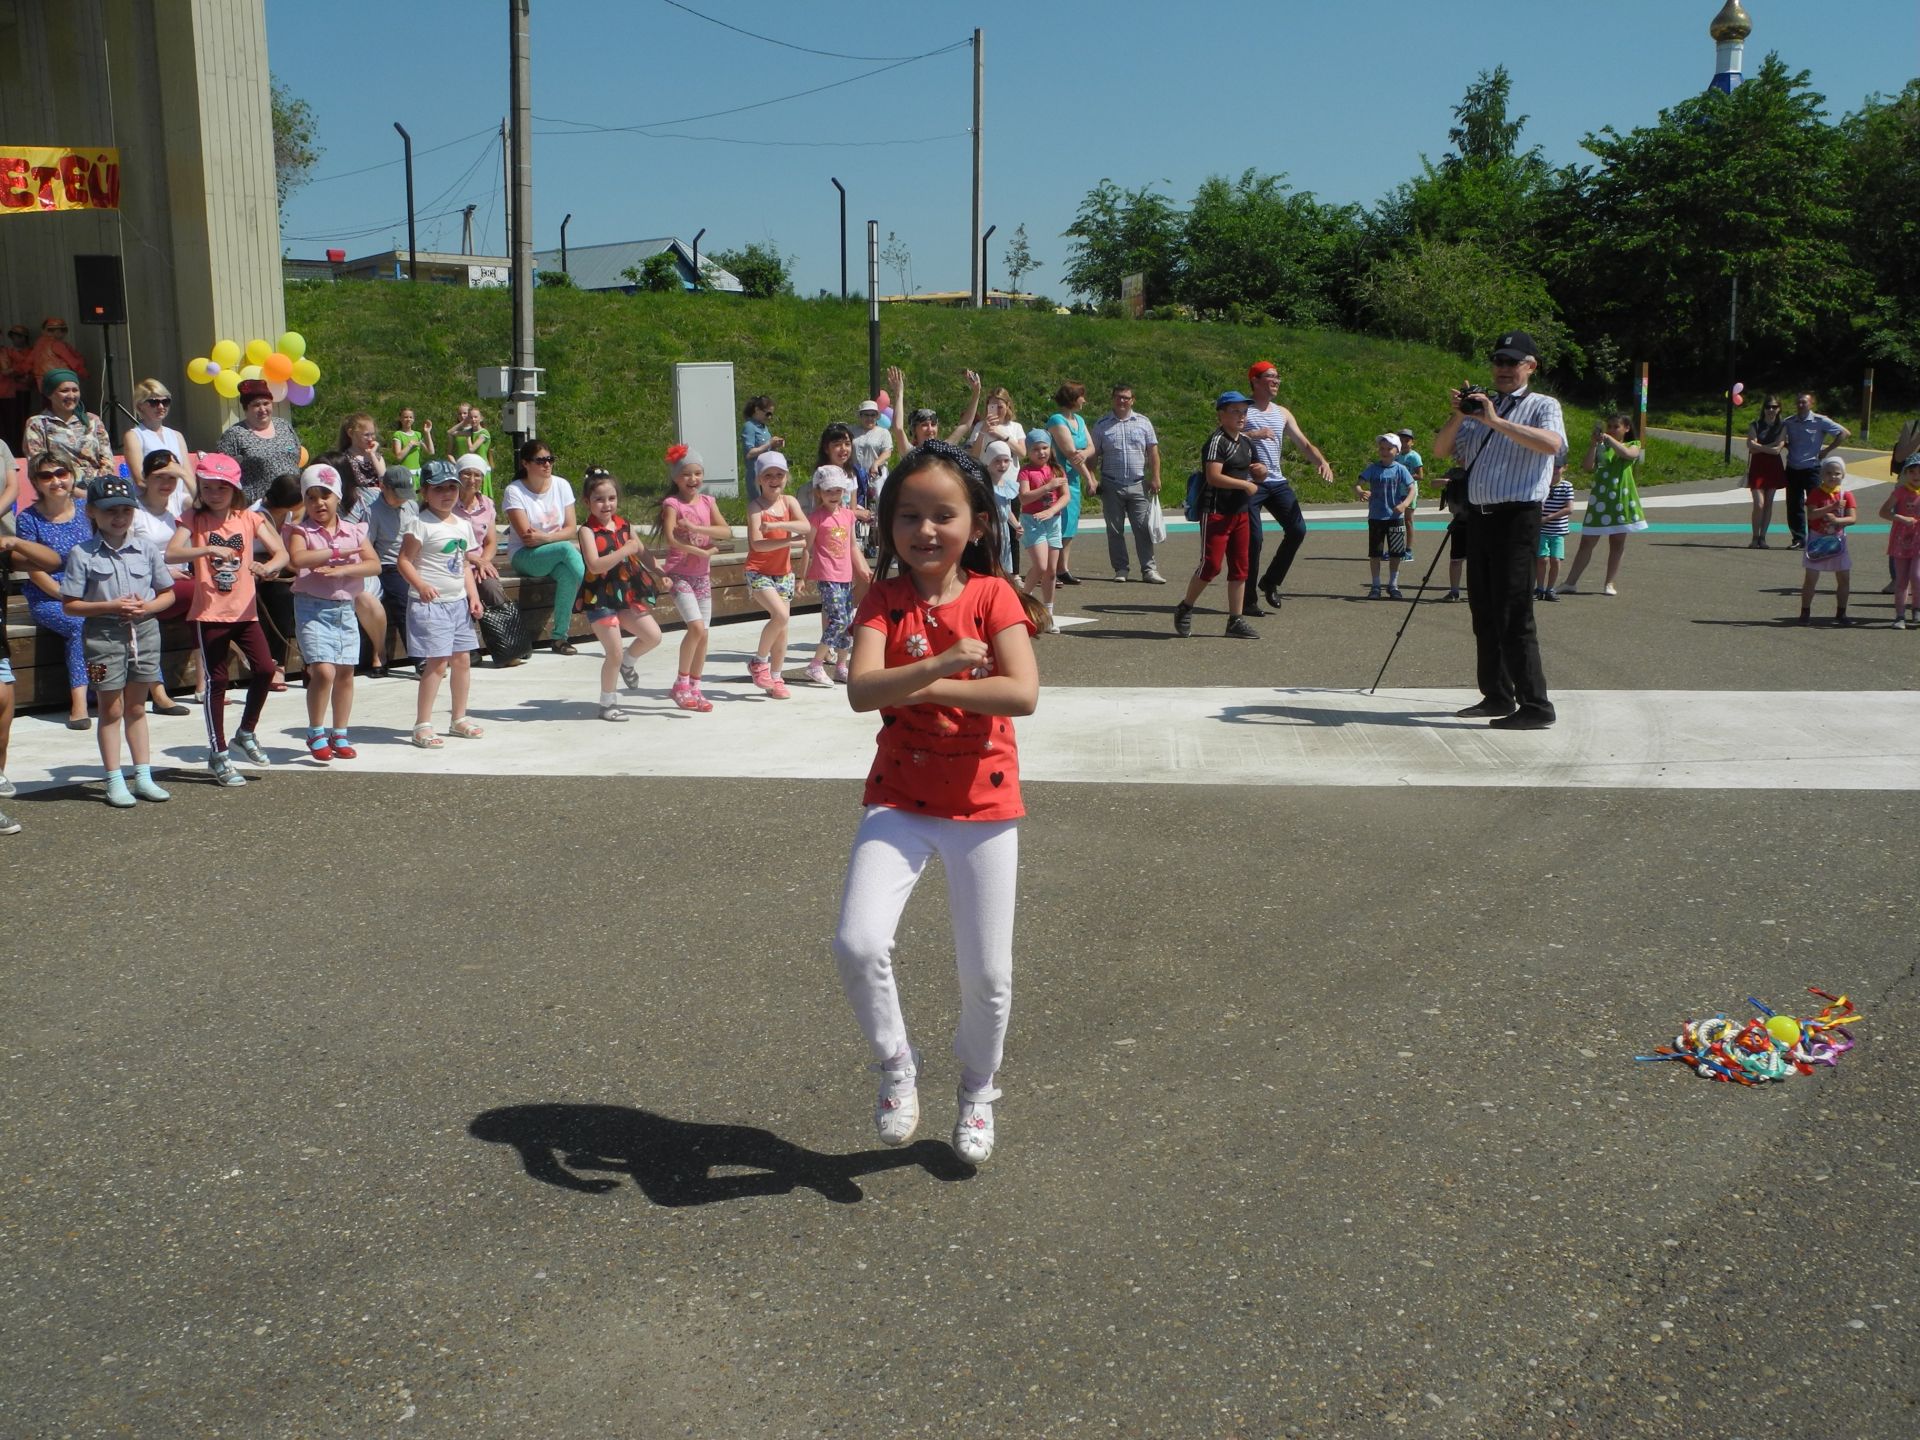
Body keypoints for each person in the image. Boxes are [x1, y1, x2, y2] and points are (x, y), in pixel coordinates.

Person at [831, 438, 1042, 1167]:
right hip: (900, 799)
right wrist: (947, 662)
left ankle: (979, 1089)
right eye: (908, 515)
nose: (924, 530)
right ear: (888, 526)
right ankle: (896, 1062)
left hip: (983, 805)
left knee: (987, 974)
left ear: (978, 524)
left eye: (942, 515)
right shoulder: (883, 599)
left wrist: (925, 682)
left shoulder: (994, 596)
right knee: (857, 942)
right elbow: (862, 689)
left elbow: (1020, 692)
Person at [1432, 330, 1565, 729]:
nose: (1504, 369)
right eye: (1499, 362)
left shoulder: (1542, 404)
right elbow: (1441, 450)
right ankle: (1496, 695)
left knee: (1513, 611)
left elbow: (1552, 445)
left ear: (1530, 366)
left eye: (1512, 362)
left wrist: (1495, 420)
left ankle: (1536, 704)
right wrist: (1461, 414)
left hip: (1517, 516)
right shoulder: (1479, 409)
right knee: (1483, 610)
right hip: (1480, 516)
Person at [166, 453, 290, 785]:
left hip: (245, 610)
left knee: (266, 668)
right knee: (217, 682)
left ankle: (246, 732)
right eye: (207, 487)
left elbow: (282, 552)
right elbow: (171, 553)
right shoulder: (192, 518)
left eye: (222, 487)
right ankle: (218, 753)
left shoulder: (248, 518)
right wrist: (205, 551)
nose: (214, 493)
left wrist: (267, 567)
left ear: (234, 489)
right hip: (210, 613)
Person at [59, 475, 177, 806]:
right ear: (92, 512)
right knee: (111, 708)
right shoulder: (82, 554)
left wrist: (147, 607)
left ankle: (143, 775)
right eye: (110, 511)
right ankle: (114, 779)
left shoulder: (146, 548)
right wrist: (110, 605)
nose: (119, 517)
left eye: (126, 510)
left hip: (144, 631)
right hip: (102, 636)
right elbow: (70, 605)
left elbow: (167, 594)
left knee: (137, 706)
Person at [284, 462, 376, 762]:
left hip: (344, 607)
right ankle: (315, 731)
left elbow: (373, 564)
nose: (319, 503)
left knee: (347, 671)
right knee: (323, 670)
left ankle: (340, 732)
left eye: (325, 495)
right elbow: (298, 559)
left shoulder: (354, 530)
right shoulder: (302, 530)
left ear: (337, 497)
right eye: (311, 497)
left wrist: (346, 569)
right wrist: (336, 552)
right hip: (312, 607)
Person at [397, 460, 485, 746]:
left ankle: (459, 718)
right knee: (436, 664)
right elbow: (404, 561)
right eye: (439, 489)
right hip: (431, 605)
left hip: (457, 603)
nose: (447, 494)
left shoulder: (462, 524)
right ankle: (422, 723)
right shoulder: (420, 524)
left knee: (462, 661)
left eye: (452, 487)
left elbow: (463, 565)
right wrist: (420, 585)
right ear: (424, 492)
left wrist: (472, 595)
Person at [1241, 360, 1335, 613]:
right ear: (1255, 381)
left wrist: (1321, 461)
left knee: (1297, 530)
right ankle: (1247, 599)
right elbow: (1224, 436)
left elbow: (1303, 443)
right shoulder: (1243, 410)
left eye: (1278, 377)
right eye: (1270, 377)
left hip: (1276, 481)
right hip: (1250, 484)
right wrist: (1254, 435)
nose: (1276, 381)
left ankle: (1270, 582)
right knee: (1254, 540)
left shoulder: (1282, 412)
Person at [575, 467, 667, 721]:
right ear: (587, 502)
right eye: (599, 499)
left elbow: (641, 551)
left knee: (653, 636)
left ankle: (629, 662)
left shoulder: (624, 525)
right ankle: (607, 703)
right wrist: (624, 551)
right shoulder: (586, 531)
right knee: (612, 651)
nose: (606, 504)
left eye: (611, 498)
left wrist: (660, 571)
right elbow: (595, 565)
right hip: (600, 598)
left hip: (626, 592)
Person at [1173, 392, 1263, 640]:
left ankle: (1235, 620)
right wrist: (1244, 485)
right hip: (1216, 512)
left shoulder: (1246, 442)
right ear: (1221, 414)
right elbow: (1213, 476)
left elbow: (1259, 473)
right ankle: (1185, 607)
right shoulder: (1216, 441)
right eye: (1235, 411)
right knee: (1211, 565)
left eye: (1244, 411)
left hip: (1240, 512)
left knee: (1240, 568)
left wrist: (1260, 471)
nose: (1241, 416)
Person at [16, 454, 94, 727]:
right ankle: (80, 704)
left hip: (91, 590)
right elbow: (34, 569)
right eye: (46, 476)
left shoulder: (88, 510)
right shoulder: (28, 519)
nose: (56, 481)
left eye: (61, 473)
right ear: (35, 483)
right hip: (49, 595)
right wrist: (68, 596)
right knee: (79, 623)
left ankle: (150, 691)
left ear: (72, 475)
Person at [0, 528, 63, 831]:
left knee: (2, 731)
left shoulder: (4, 554)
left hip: (0, 653)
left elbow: (52, 562)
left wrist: (16, 541)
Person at [658, 444, 728, 711]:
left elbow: (726, 531)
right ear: (676, 477)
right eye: (686, 474)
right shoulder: (672, 504)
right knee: (696, 628)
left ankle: (696, 688)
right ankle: (680, 684)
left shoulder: (709, 502)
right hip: (679, 575)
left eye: (698, 473)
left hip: (702, 576)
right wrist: (700, 550)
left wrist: (698, 529)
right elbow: (671, 538)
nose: (693, 479)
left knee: (704, 635)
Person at [125, 452, 194, 713]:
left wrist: (184, 474)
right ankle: (158, 692)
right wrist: (163, 573)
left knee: (207, 597)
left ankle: (203, 684)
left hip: (181, 585)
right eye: (159, 477)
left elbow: (207, 503)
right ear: (145, 478)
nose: (167, 483)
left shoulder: (179, 504)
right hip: (148, 584)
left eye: (171, 477)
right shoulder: (134, 510)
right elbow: (129, 556)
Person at [503, 438, 584, 655]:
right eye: (540, 461)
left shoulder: (562, 485)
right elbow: (527, 537)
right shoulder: (515, 491)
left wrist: (546, 538)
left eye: (549, 459)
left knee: (567, 576)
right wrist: (555, 538)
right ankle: (593, 589)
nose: (547, 464)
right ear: (525, 464)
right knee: (567, 549)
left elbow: (571, 528)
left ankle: (559, 639)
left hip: (553, 552)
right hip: (524, 556)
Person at [743, 450, 811, 697]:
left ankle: (776, 678)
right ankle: (759, 661)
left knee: (782, 627)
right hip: (758, 571)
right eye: (768, 475)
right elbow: (757, 544)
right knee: (780, 615)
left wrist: (779, 526)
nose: (774, 479)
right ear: (759, 479)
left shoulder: (789, 502)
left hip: (783, 572)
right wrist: (790, 542)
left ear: (786, 477)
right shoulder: (755, 507)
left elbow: (805, 526)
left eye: (779, 474)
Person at [330, 413, 391, 670]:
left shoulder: (372, 456)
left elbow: (384, 478)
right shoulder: (343, 459)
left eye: (373, 434)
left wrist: (373, 455)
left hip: (375, 504)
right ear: (351, 432)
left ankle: (380, 651)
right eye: (365, 434)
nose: (370, 438)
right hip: (353, 507)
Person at [1562, 414, 1646, 596]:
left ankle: (1609, 583)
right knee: (1587, 542)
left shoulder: (1633, 445)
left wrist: (1609, 440)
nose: (1611, 430)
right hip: (1600, 499)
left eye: (1616, 427)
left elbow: (1627, 454)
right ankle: (1570, 582)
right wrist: (1593, 444)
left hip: (1620, 500)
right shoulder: (1602, 446)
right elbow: (1587, 467)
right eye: (1609, 426)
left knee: (1617, 543)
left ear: (1626, 428)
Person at [1090, 382, 1163, 583]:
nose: (1122, 401)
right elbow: (1094, 454)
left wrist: (1155, 477)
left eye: (1126, 398)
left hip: (1139, 484)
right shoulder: (1102, 424)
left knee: (1143, 528)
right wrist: (1092, 478)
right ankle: (1121, 569)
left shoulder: (1144, 422)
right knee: (1114, 530)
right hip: (1111, 484)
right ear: (1113, 399)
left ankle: (1149, 569)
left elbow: (1153, 452)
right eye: (1119, 397)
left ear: (1133, 400)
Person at [801, 465, 867, 685]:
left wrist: (862, 570)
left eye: (838, 490)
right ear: (819, 492)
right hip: (827, 576)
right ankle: (816, 664)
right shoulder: (816, 518)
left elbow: (852, 546)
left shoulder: (848, 515)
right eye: (828, 490)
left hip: (845, 576)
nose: (834, 495)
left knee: (848, 621)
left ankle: (841, 665)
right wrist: (801, 577)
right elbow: (806, 548)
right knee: (838, 620)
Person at [250, 473, 303, 692]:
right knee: (275, 596)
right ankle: (271, 663)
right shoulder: (257, 514)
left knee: (286, 594)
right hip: (251, 564)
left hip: (277, 564)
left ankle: (282, 662)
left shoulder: (289, 513)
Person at [366, 464, 420, 669]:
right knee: (405, 602)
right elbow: (368, 547)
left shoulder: (412, 506)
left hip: (414, 560)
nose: (402, 499)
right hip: (389, 565)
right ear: (383, 487)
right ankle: (419, 657)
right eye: (398, 494)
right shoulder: (373, 513)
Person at [1016, 428, 1069, 633]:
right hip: (1033, 521)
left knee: (1051, 571)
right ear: (1029, 451)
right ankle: (1021, 600)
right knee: (1040, 565)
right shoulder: (1025, 471)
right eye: (1036, 449)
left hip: (1053, 521)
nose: (1041, 452)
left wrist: (1053, 510)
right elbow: (1024, 497)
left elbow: (1065, 496)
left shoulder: (1056, 470)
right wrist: (1048, 487)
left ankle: (1048, 612)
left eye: (1045, 447)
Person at [1781, 392, 1849, 550]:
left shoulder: (1820, 421)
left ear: (1811, 404)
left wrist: (1826, 450)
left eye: (1804, 402)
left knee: (1816, 505)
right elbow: (1780, 437)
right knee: (1793, 505)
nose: (1800, 405)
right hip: (1792, 468)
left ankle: (1815, 536)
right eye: (1798, 402)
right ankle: (1798, 538)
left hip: (1812, 468)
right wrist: (1785, 445)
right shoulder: (1789, 422)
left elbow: (1843, 433)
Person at [216, 378, 301, 505]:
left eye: (266, 403)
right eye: (256, 405)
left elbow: (297, 456)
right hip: (258, 508)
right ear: (246, 408)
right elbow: (221, 473)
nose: (262, 409)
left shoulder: (284, 426)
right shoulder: (234, 435)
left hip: (295, 504)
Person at [23, 369, 114, 484]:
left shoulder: (92, 420)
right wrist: (73, 490)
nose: (71, 395)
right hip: (59, 487)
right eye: (64, 391)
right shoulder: (37, 423)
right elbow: (38, 464)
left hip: (97, 488)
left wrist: (98, 487)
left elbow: (107, 459)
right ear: (50, 394)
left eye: (75, 390)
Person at [1355, 434, 1416, 599]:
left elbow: (1412, 489)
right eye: (1382, 448)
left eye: (1389, 448)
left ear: (1397, 451)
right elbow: (1358, 483)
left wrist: (1404, 504)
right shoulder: (1373, 469)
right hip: (1376, 517)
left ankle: (1393, 585)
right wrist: (1361, 491)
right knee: (1375, 553)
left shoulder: (1400, 469)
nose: (1384, 451)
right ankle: (1375, 586)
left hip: (1395, 517)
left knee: (1396, 553)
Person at [1046, 382, 1095, 585]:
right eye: (1081, 396)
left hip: (1073, 479)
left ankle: (1062, 568)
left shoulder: (1079, 420)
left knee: (1070, 525)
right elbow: (1069, 453)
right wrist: (1089, 478)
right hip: (1059, 479)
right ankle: (1050, 569)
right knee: (1058, 524)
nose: (1084, 400)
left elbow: (1090, 447)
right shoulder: (1057, 420)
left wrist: (1084, 454)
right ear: (1073, 398)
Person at [1798, 457, 1857, 625]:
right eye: (1828, 473)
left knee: (1844, 577)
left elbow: (1852, 519)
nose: (1833, 477)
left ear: (1843, 475)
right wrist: (1831, 507)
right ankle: (1805, 612)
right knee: (1811, 578)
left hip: (1838, 539)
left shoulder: (1846, 495)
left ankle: (1841, 613)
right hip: (1817, 539)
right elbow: (1811, 515)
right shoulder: (1816, 493)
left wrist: (1838, 521)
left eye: (1837, 473)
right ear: (1822, 474)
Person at [121, 380, 194, 513]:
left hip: (180, 506)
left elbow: (187, 474)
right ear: (140, 405)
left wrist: (187, 504)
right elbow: (140, 480)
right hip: (151, 508)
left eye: (165, 401)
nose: (161, 406)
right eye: (154, 402)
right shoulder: (134, 436)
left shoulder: (177, 435)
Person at [1880, 453, 1920, 629]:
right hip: (1901, 539)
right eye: (1912, 471)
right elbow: (1884, 512)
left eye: (1919, 471)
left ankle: (1917, 608)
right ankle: (1900, 615)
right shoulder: (1900, 492)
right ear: (1906, 474)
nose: (1916, 475)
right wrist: (1901, 518)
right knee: (1901, 578)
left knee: (1917, 576)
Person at [1745, 394, 1788, 547]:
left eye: (1774, 407)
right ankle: (1754, 537)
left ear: (1779, 409)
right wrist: (1769, 447)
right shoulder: (1755, 425)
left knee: (1768, 503)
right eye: (1768, 406)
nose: (1771, 409)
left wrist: (1759, 447)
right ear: (1763, 409)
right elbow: (1751, 447)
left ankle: (1763, 537)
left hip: (1773, 467)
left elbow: (1777, 451)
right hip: (1757, 467)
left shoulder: (1782, 426)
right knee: (1759, 503)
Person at [1535, 463, 1575, 601]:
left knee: (1555, 560)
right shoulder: (1542, 483)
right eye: (1551, 466)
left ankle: (1550, 589)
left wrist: (1549, 517)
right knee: (1541, 559)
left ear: (1565, 467)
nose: (1554, 470)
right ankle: (1539, 588)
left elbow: (1569, 509)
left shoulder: (1567, 486)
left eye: (1557, 467)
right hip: (1541, 530)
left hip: (1558, 531)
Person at [984, 440, 1021, 575]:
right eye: (997, 461)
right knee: (990, 565)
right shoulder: (985, 485)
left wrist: (1016, 524)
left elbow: (1006, 509)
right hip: (990, 530)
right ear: (989, 461)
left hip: (1003, 531)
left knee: (1003, 567)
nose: (1002, 465)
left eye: (1006, 461)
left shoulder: (1007, 485)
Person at [964, 384, 1026, 463]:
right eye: (993, 407)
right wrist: (982, 432)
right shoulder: (980, 426)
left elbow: (1022, 454)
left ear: (1007, 406)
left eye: (1000, 407)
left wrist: (1002, 435)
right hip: (987, 473)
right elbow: (974, 455)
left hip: (1010, 474)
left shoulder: (1016, 427)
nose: (997, 411)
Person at [28, 317, 86, 384]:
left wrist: (19, 372)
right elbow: (72, 360)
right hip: (59, 377)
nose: (59, 333)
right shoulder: (57, 344)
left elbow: (28, 362)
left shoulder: (38, 345)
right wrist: (83, 372)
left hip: (42, 379)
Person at [1396, 427, 1425, 560]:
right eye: (1401, 440)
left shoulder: (1414, 456)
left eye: (1407, 440)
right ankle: (1395, 549)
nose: (1404, 443)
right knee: (1395, 521)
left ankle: (1408, 550)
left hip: (1409, 492)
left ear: (1412, 442)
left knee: (1408, 521)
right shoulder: (1396, 456)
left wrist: (1406, 477)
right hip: (1397, 491)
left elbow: (1420, 475)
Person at [741, 394, 783, 477]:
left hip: (766, 473)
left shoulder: (764, 428)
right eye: (767, 414)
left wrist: (774, 446)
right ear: (757, 410)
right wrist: (769, 444)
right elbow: (749, 453)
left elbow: (766, 450)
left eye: (771, 415)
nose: (769, 417)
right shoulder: (749, 426)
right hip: (755, 475)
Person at [390, 406, 432, 476]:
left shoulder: (418, 434)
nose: (408, 419)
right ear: (400, 419)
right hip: (405, 474)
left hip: (417, 474)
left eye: (410, 417)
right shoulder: (398, 434)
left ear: (413, 419)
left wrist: (427, 433)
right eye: (405, 417)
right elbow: (398, 457)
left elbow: (430, 452)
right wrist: (410, 445)